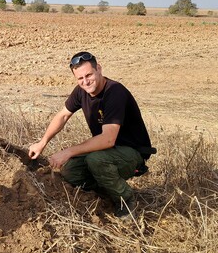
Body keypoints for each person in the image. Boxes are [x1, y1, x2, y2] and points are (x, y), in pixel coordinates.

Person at [28, 51, 155, 218]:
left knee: (96, 160)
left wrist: (68, 151)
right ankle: (107, 191)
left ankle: (127, 200)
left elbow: (108, 139)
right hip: (108, 151)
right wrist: (42, 142)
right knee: (70, 171)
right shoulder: (82, 91)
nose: (85, 81)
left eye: (89, 75)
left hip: (131, 153)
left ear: (99, 69)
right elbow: (63, 115)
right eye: (80, 78)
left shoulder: (115, 92)